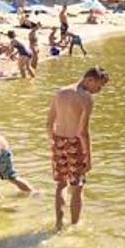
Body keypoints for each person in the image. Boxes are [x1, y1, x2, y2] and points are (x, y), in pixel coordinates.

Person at [47, 66, 108, 231]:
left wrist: (54, 143)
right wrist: (89, 156)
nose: (99, 90)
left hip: (58, 140)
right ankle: (74, 226)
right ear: (90, 80)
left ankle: (58, 224)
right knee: (77, 187)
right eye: (99, 86)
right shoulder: (85, 98)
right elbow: (83, 132)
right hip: (75, 143)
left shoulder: (60, 92)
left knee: (61, 185)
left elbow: (49, 123)